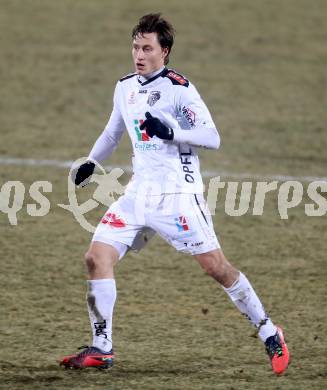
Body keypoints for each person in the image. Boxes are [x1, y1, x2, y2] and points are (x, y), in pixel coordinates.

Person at [60, 13, 290, 374]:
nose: (138, 54)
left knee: (216, 267)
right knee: (96, 257)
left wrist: (170, 132)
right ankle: (102, 348)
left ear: (164, 52)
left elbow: (212, 138)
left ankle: (268, 330)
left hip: (178, 196)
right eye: (135, 46)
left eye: (147, 48)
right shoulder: (125, 86)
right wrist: (92, 160)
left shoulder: (179, 89)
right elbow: (112, 132)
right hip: (139, 194)